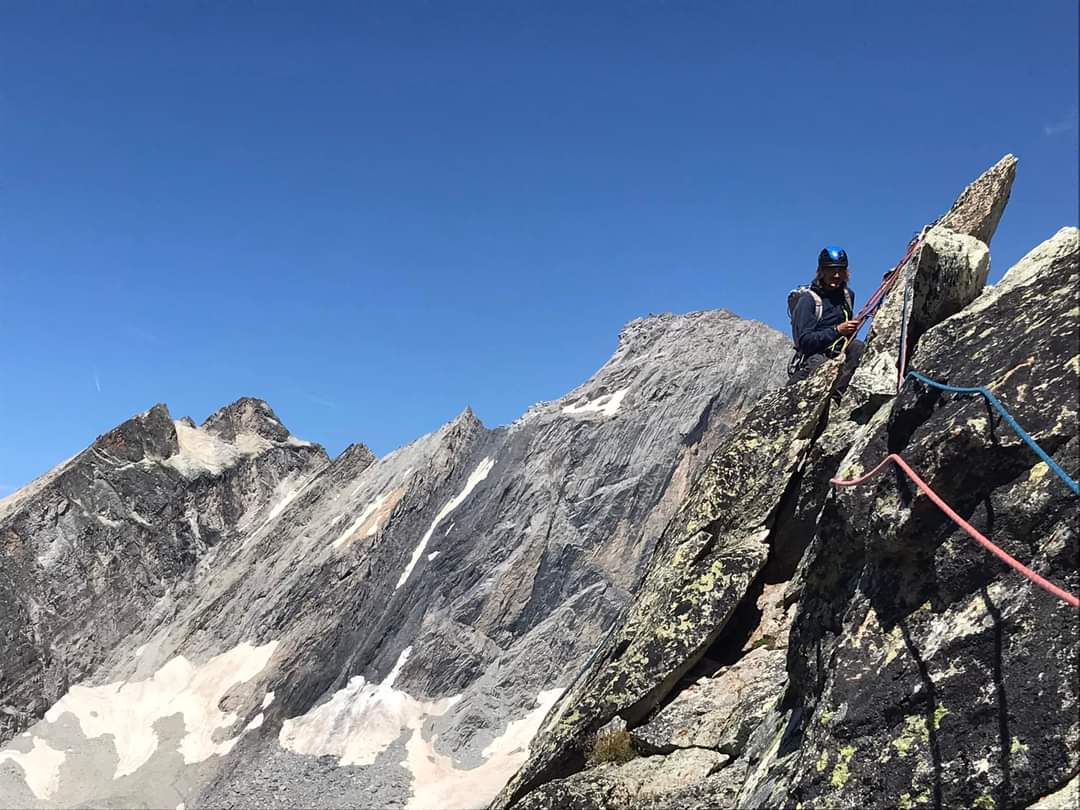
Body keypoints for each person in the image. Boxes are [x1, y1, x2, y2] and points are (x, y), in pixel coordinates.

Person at [787, 246, 865, 389]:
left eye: (841, 270)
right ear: (821, 272)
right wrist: (837, 330)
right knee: (821, 367)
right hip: (815, 357)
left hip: (840, 351)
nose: (836, 275)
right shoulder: (809, 300)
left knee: (858, 348)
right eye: (831, 270)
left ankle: (840, 396)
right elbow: (804, 342)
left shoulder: (847, 296)